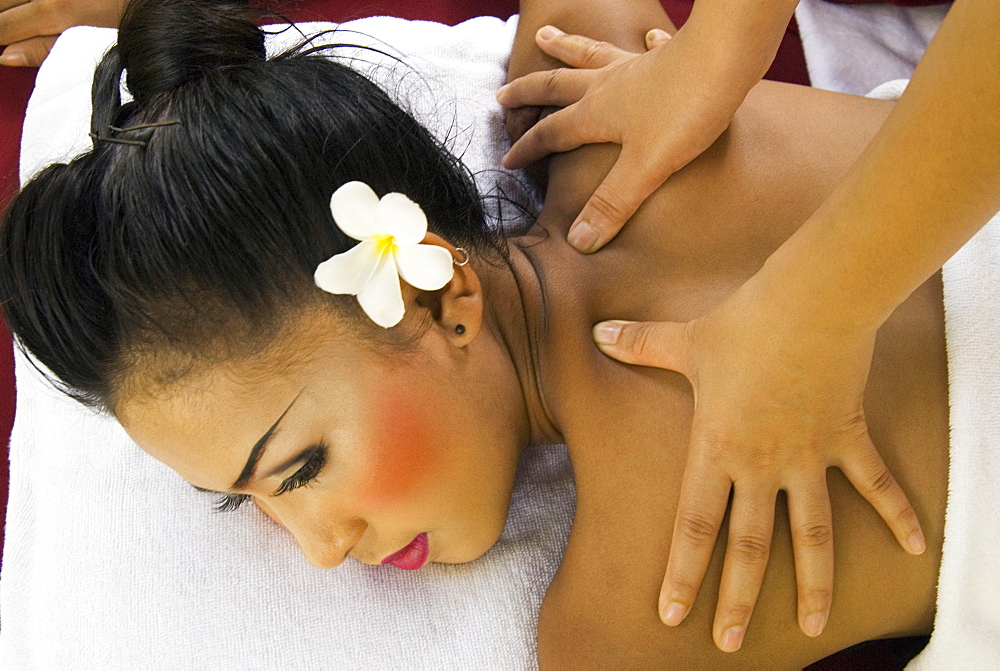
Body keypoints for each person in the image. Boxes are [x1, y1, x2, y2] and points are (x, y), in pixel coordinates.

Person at [0, 0, 952, 665]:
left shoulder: (633, 613)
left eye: (299, 466)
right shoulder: (583, 97)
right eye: (247, 500)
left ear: (444, 301)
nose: (320, 548)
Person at [499, 0, 1000, 649]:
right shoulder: (585, 75)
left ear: (423, 292)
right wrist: (722, 39)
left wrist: (816, 318)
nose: (328, 545)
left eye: (317, 460)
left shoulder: (614, 625)